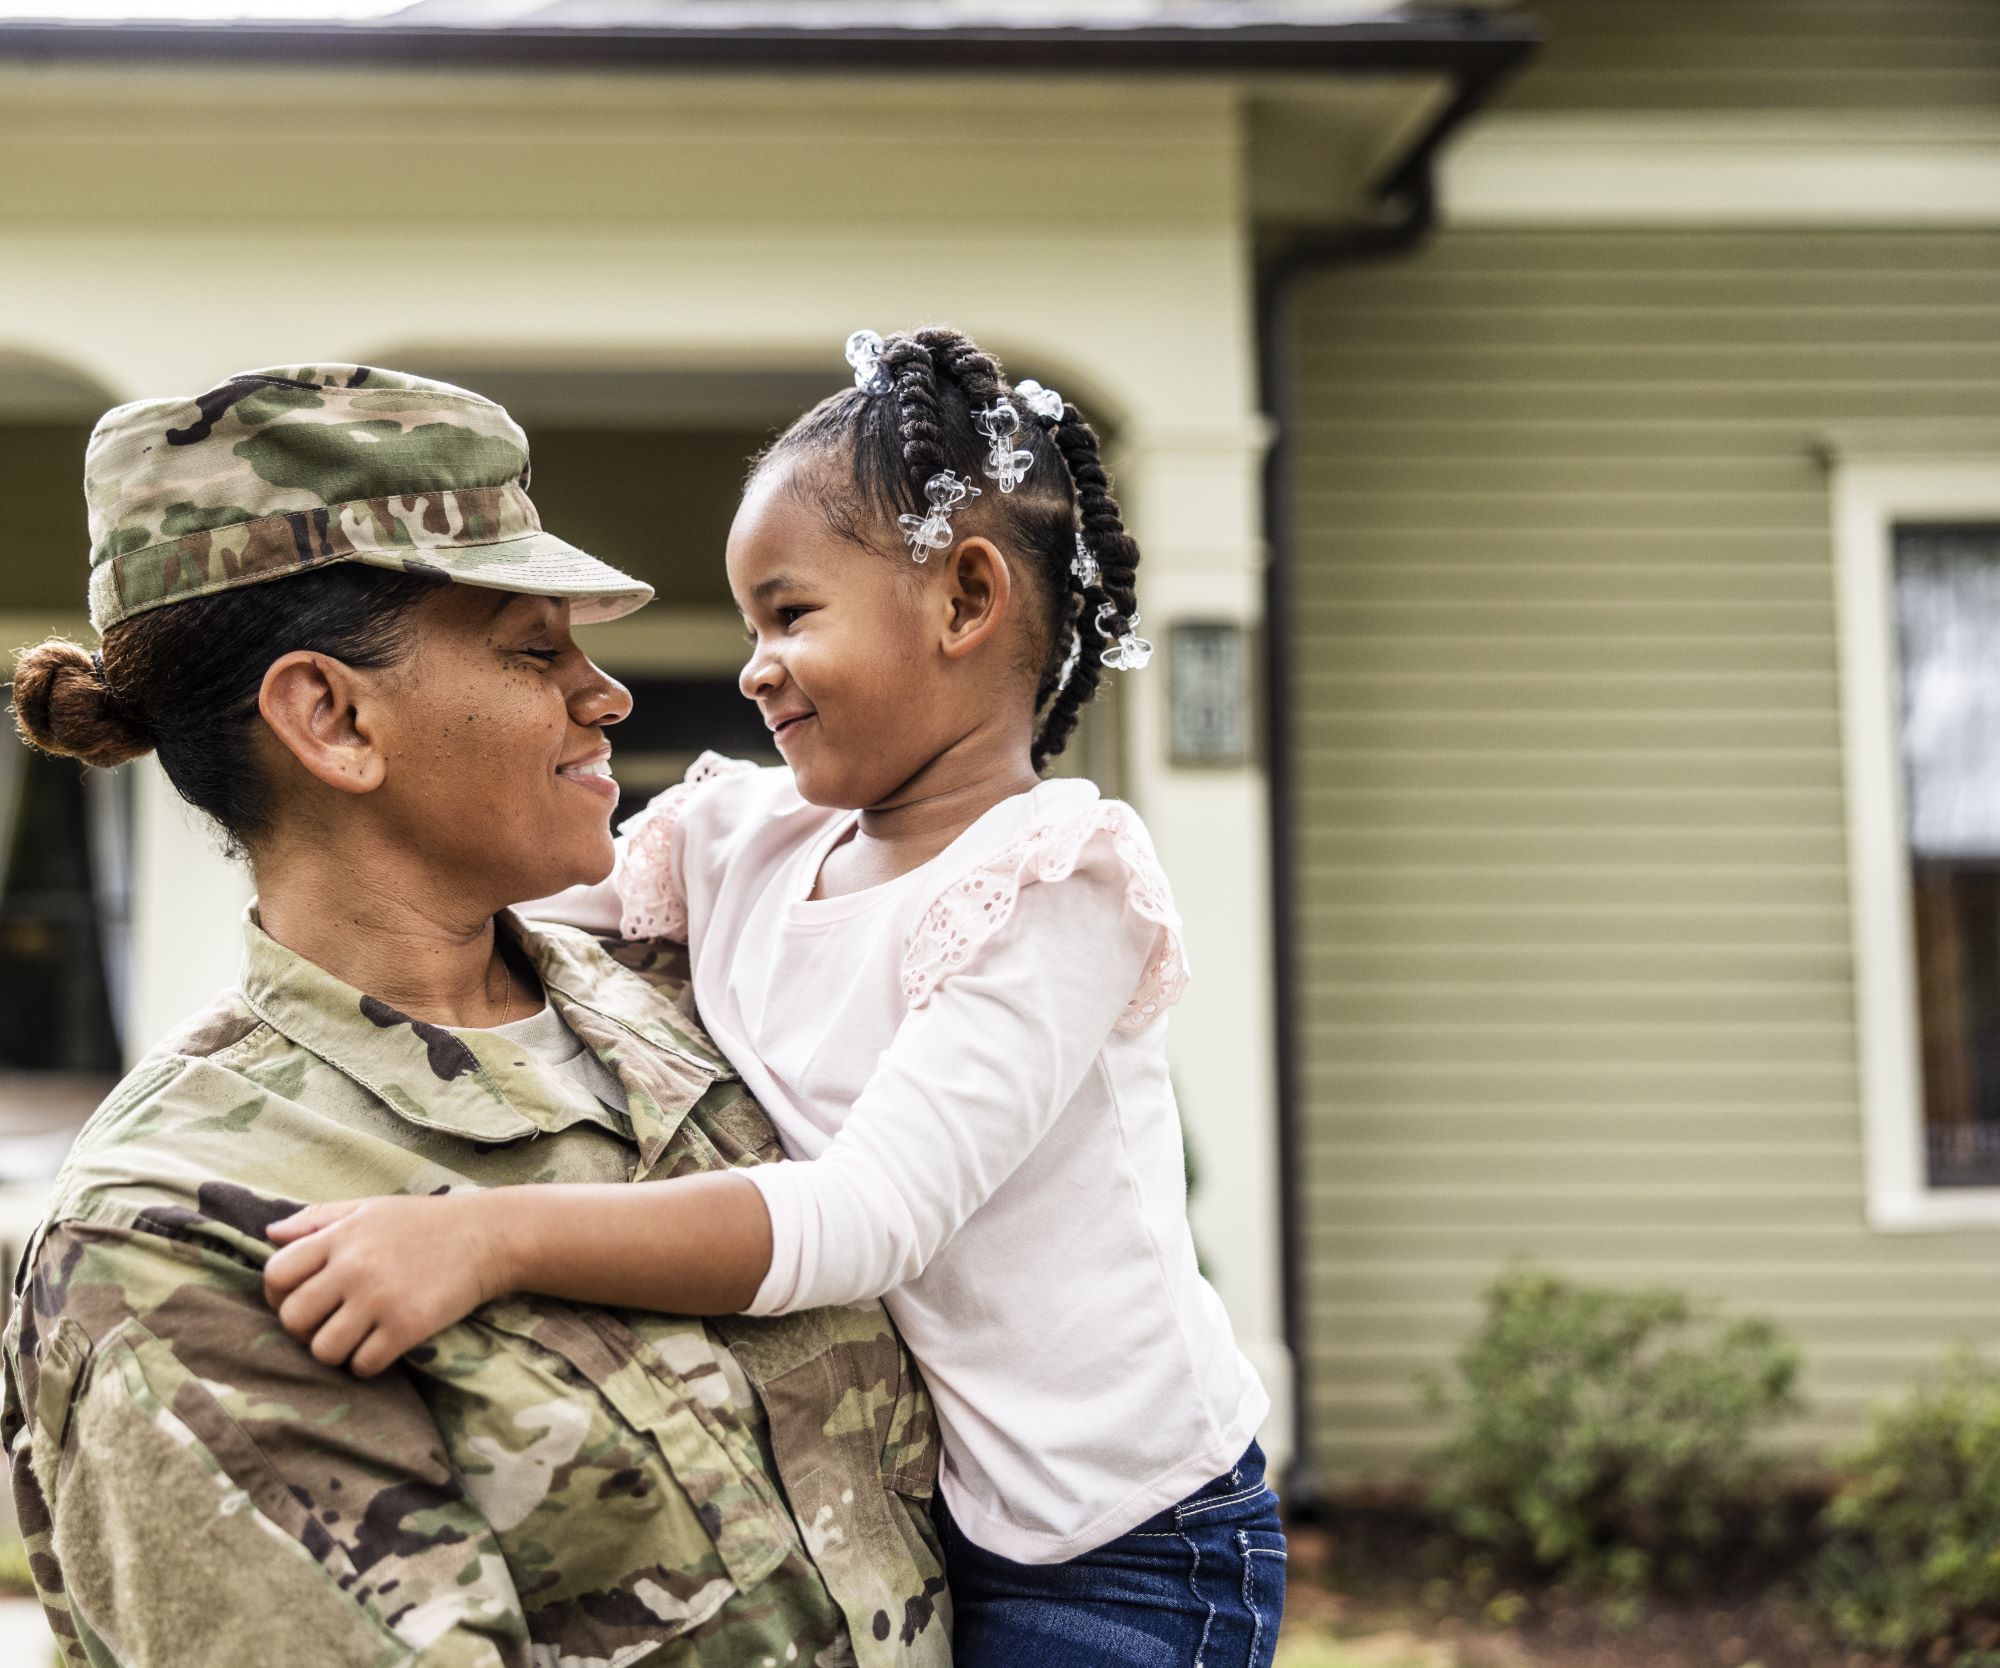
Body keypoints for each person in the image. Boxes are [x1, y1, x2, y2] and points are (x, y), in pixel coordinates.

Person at [261, 327, 1288, 1668]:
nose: (754, 666)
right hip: (932, 1516)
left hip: (1133, 1546)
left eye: (791, 616)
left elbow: (868, 1218)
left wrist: (488, 1238)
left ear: (965, 602)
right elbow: (490, 918)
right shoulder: (743, 838)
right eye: (751, 624)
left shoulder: (1054, 886)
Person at [2, 364, 951, 1668]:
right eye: (535, 649)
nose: (607, 695)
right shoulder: (176, 1236)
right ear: (332, 718)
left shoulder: (708, 1009)